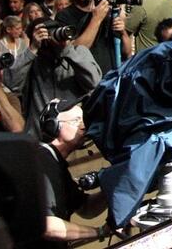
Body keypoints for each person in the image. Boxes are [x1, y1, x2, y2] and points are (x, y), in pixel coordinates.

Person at [5, 17, 102, 137]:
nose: (49, 41)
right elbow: (12, 84)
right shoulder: (30, 61)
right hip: (40, 138)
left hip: (76, 135)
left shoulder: (78, 52)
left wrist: (66, 50)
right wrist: (33, 49)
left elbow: (94, 83)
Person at [37, 101, 109, 243]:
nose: (84, 126)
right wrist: (100, 232)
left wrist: (114, 186)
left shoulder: (56, 163)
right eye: (76, 121)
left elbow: (86, 209)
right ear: (53, 126)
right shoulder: (42, 160)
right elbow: (49, 226)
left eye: (83, 121)